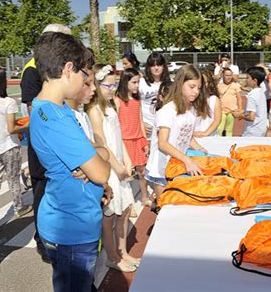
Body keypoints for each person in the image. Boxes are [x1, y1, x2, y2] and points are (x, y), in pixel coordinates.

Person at [30, 32, 110, 291]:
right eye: (84, 75)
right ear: (68, 69)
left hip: (74, 221)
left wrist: (97, 159)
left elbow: (100, 153)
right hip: (72, 228)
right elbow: (101, 172)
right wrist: (97, 162)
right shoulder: (55, 117)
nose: (87, 82)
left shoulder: (58, 109)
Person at [20, 23, 72, 263]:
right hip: (44, 142)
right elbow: (35, 111)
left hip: (57, 138)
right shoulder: (33, 70)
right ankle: (42, 239)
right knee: (41, 189)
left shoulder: (54, 66)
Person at [86, 65, 139, 273]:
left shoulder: (111, 106)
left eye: (114, 84)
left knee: (125, 211)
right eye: (108, 85)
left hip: (120, 168)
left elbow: (119, 139)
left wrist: (127, 160)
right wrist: (118, 168)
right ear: (97, 86)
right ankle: (112, 257)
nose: (112, 88)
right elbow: (103, 144)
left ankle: (123, 251)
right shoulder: (94, 110)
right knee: (109, 217)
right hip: (109, 169)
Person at [0, 66, 33, 234]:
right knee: (13, 179)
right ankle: (19, 207)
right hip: (8, 146)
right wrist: (27, 125)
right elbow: (11, 129)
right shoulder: (8, 102)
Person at [145, 65, 209, 198]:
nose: (196, 91)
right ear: (180, 84)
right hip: (162, 167)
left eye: (198, 87)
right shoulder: (168, 111)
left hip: (178, 164)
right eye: (192, 87)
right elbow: (163, 143)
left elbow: (187, 135)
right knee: (165, 204)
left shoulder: (191, 109)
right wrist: (187, 160)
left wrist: (200, 149)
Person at [115, 68, 151, 206]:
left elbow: (140, 120)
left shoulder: (137, 100)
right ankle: (128, 204)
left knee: (142, 171)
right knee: (127, 174)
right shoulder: (118, 100)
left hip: (138, 139)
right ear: (125, 82)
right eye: (134, 82)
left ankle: (144, 196)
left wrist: (144, 140)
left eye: (138, 82)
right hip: (125, 141)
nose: (137, 85)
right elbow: (116, 123)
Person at [139, 52, 171, 139]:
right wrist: (141, 124)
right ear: (148, 67)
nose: (156, 68)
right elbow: (134, 106)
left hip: (165, 128)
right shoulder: (141, 82)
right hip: (147, 129)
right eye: (153, 65)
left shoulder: (170, 83)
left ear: (164, 66)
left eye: (159, 65)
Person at [239, 66, 268, 137]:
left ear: (255, 81)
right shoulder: (261, 91)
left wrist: (240, 115)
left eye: (248, 78)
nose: (246, 80)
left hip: (252, 131)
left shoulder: (252, 95)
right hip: (261, 128)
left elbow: (251, 117)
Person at [194, 68, 222, 137]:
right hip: (193, 138)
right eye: (200, 83)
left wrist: (206, 133)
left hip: (210, 138)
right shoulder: (191, 99)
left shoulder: (214, 100)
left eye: (205, 83)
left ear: (209, 83)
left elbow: (217, 120)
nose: (202, 85)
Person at [217, 68, 243, 136]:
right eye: (226, 75)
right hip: (221, 110)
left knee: (229, 129)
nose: (228, 77)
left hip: (232, 111)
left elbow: (239, 98)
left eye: (230, 75)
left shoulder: (235, 86)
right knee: (220, 128)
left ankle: (228, 142)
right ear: (223, 75)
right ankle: (218, 142)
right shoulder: (219, 86)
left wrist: (240, 110)